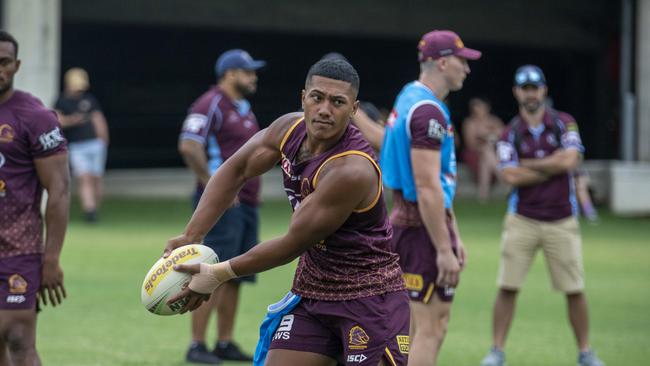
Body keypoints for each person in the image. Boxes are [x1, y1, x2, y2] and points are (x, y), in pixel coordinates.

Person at [165, 58, 410, 366]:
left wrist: (217, 273)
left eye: (337, 102)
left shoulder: (351, 170)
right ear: (303, 97)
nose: (324, 109)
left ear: (354, 109)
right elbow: (236, 169)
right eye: (317, 97)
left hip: (370, 300)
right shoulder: (289, 129)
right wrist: (193, 234)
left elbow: (293, 243)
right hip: (313, 294)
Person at [479, 65, 605, 366]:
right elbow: (510, 177)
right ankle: (496, 351)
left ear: (544, 90)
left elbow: (571, 160)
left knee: (574, 289)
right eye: (525, 88)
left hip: (562, 219)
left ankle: (585, 352)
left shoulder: (564, 123)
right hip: (522, 218)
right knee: (507, 286)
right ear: (516, 92)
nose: (530, 93)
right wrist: (552, 166)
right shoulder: (511, 131)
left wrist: (531, 164)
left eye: (535, 87)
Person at [377, 30, 479, 366]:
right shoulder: (429, 113)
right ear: (443, 61)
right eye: (463, 61)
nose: (466, 69)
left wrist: (455, 232)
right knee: (431, 328)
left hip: (407, 222)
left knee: (410, 327)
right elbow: (427, 186)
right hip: (421, 229)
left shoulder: (408, 96)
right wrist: (443, 248)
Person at [177, 49, 265, 364]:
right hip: (222, 207)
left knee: (235, 273)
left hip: (246, 204)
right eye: (247, 71)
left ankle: (224, 342)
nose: (253, 77)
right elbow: (189, 145)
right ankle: (196, 344)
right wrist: (214, 185)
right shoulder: (210, 103)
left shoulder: (244, 108)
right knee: (210, 270)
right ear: (229, 73)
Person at [0, 30, 69, 365]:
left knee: (18, 337)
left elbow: (59, 190)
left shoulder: (35, 116)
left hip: (19, 248)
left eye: (4, 62)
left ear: (17, 65)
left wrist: (51, 258)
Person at [54, 67, 108, 223]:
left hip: (96, 145)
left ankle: (95, 209)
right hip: (77, 146)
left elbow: (99, 119)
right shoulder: (61, 101)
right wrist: (73, 120)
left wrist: (103, 140)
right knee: (84, 177)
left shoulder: (89, 99)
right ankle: (89, 211)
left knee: (96, 178)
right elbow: (57, 120)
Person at [461, 97, 504, 202]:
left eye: (480, 106)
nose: (477, 109)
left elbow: (504, 137)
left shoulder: (494, 120)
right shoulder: (469, 122)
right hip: (474, 154)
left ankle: (483, 194)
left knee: (486, 158)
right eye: (475, 107)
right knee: (486, 150)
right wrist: (487, 136)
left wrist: (489, 137)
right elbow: (470, 143)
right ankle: (504, 178)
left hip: (493, 154)